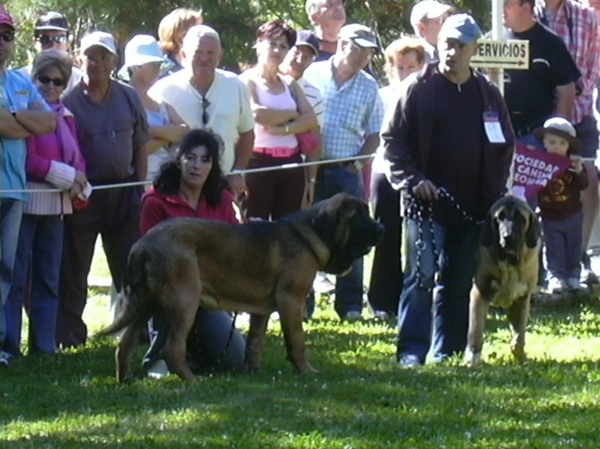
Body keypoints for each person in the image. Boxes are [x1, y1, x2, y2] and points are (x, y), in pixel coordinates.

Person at [382, 14, 514, 367]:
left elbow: (504, 147)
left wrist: (494, 195)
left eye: (459, 46)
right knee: (420, 277)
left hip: (472, 206)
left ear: (474, 49)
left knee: (456, 281)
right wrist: (413, 179)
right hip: (424, 204)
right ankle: (411, 351)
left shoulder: (488, 94)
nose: (452, 52)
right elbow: (393, 142)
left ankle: (448, 351)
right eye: (446, 45)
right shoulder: (418, 88)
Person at [57, 31, 150, 348]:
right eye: (90, 56)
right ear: (79, 59)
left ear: (114, 61)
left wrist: (139, 188)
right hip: (84, 196)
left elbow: (141, 145)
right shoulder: (68, 102)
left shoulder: (128, 96)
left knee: (131, 268)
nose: (96, 63)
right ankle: (70, 334)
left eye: (103, 56)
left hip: (125, 193)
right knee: (75, 268)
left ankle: (137, 331)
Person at [140, 129, 246, 378]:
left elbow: (236, 248)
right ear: (179, 160)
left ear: (213, 166)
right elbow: (149, 257)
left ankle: (193, 356)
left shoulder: (222, 200)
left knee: (234, 360)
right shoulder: (155, 201)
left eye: (205, 160)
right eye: (190, 157)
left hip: (211, 292)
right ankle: (159, 357)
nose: (196, 166)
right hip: (168, 289)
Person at [3, 49, 88, 359]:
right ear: (33, 78)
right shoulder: (27, 112)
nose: (50, 85)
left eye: (58, 81)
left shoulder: (66, 116)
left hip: (56, 210)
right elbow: (28, 160)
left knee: (48, 280)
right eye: (44, 78)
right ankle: (9, 346)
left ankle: (44, 347)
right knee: (14, 280)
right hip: (25, 205)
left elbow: (76, 155)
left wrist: (81, 177)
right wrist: (64, 175)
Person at [304, 23, 384, 321]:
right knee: (305, 233)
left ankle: (350, 304)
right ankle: (303, 302)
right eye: (359, 49)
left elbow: (374, 133)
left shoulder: (369, 85)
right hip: (309, 166)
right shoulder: (313, 74)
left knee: (353, 234)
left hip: (345, 169)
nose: (364, 56)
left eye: (369, 52)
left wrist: (357, 164)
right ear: (342, 44)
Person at [0, 5, 57, 366]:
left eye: (7, 35)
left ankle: (2, 347)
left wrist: (15, 118)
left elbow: (49, 122)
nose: (2, 42)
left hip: (14, 191)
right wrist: (23, 124)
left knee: (5, 270)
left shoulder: (20, 83)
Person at [534, 0, 600, 287]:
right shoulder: (525, 13)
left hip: (580, 117)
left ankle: (579, 259)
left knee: (587, 182)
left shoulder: (586, 17)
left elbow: (593, 70)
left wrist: (575, 105)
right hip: (538, 120)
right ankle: (546, 265)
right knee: (537, 189)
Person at [149, 25, 254, 198]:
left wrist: (238, 171)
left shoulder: (236, 86)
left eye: (211, 53)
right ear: (183, 55)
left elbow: (247, 133)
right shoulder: (163, 90)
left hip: (223, 185)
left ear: (219, 57)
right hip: (178, 189)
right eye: (198, 52)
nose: (204, 58)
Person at [368, 37, 426, 322]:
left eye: (411, 66)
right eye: (399, 67)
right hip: (385, 172)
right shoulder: (382, 96)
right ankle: (381, 300)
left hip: (418, 175)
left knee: (416, 239)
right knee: (385, 235)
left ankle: (414, 298)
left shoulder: (430, 96)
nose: (405, 72)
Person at [240, 21, 318, 220]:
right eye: (272, 43)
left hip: (291, 164)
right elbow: (257, 114)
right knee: (255, 229)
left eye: (283, 45)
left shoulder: (289, 83)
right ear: (259, 43)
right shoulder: (247, 80)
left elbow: (311, 119)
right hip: (258, 163)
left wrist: (282, 129)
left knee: (288, 229)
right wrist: (292, 114)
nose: (277, 49)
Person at [502, 0, 579, 149]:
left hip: (536, 139)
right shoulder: (491, 41)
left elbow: (566, 91)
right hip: (499, 136)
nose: (501, 10)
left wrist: (555, 135)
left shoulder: (551, 43)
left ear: (525, 8)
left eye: (507, 4)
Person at [119, 34, 189, 181]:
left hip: (168, 182)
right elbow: (131, 149)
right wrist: (168, 137)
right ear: (135, 67)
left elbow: (185, 131)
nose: (157, 69)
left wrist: (154, 132)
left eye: (159, 64)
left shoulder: (160, 100)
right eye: (152, 64)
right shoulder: (121, 101)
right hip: (138, 183)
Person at [534, 118, 588, 293]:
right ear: (544, 142)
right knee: (553, 249)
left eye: (561, 143)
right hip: (549, 216)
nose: (556, 147)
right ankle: (555, 278)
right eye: (551, 142)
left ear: (569, 146)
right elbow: (528, 182)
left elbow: (583, 185)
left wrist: (579, 171)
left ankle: (573, 276)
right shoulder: (539, 164)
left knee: (573, 247)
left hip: (573, 214)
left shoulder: (573, 165)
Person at [279, 29, 324, 208]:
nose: (299, 60)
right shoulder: (263, 82)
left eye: (307, 57)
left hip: (296, 169)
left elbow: (315, 143)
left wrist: (310, 182)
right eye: (296, 52)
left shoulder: (314, 94)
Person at [18, 11, 83, 94]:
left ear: (68, 43)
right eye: (45, 39)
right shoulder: (20, 79)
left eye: (60, 39)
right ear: (35, 43)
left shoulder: (79, 81)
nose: (53, 44)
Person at [157, 7, 203, 78]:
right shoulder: (163, 71)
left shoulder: (202, 65)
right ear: (180, 37)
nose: (202, 35)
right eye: (197, 32)